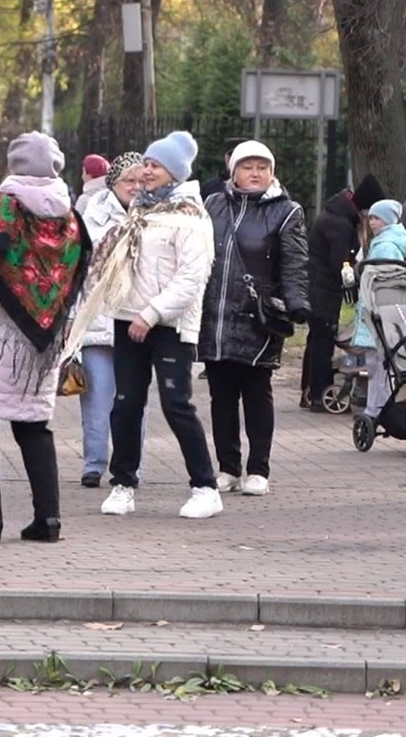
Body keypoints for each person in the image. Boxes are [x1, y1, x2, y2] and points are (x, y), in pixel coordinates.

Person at [0, 131, 91, 544]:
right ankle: (49, 520)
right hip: (41, 345)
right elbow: (76, 277)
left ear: (13, 166)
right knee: (33, 427)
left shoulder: (1, 207)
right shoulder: (70, 218)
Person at [68, 130, 221, 519]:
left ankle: (205, 486)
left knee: (176, 404)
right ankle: (123, 483)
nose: (145, 172)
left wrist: (150, 315)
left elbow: (191, 278)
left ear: (174, 171)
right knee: (125, 404)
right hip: (127, 320)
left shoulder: (191, 217)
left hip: (168, 325)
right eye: (145, 165)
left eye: (153, 166)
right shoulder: (141, 210)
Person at [198, 141, 309, 497]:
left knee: (257, 393)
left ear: (272, 173)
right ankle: (227, 468)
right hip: (215, 315)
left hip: (258, 317)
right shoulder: (213, 205)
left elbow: (294, 264)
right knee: (221, 397)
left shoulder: (287, 211)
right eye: (248, 166)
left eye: (263, 166)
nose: (256, 173)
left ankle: (258, 469)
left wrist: (298, 304)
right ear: (234, 172)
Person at [74, 152, 145, 488]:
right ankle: (94, 463)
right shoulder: (92, 214)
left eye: (139, 180)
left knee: (132, 399)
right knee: (97, 397)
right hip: (98, 320)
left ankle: (130, 464)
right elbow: (81, 268)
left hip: (136, 321)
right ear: (113, 183)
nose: (134, 187)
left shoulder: (154, 213)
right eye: (126, 181)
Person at [302, 174, 384, 411]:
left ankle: (310, 391)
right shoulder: (340, 224)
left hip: (318, 287)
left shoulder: (336, 216)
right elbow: (340, 263)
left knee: (316, 340)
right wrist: (356, 279)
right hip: (323, 290)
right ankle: (319, 395)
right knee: (322, 342)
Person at [352, 199, 406, 421]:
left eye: (376, 218)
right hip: (384, 309)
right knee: (381, 364)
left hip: (377, 309)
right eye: (370, 218)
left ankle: (377, 409)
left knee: (377, 364)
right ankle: (380, 406)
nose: (371, 222)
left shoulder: (385, 245)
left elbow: (380, 278)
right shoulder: (390, 242)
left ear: (387, 220)